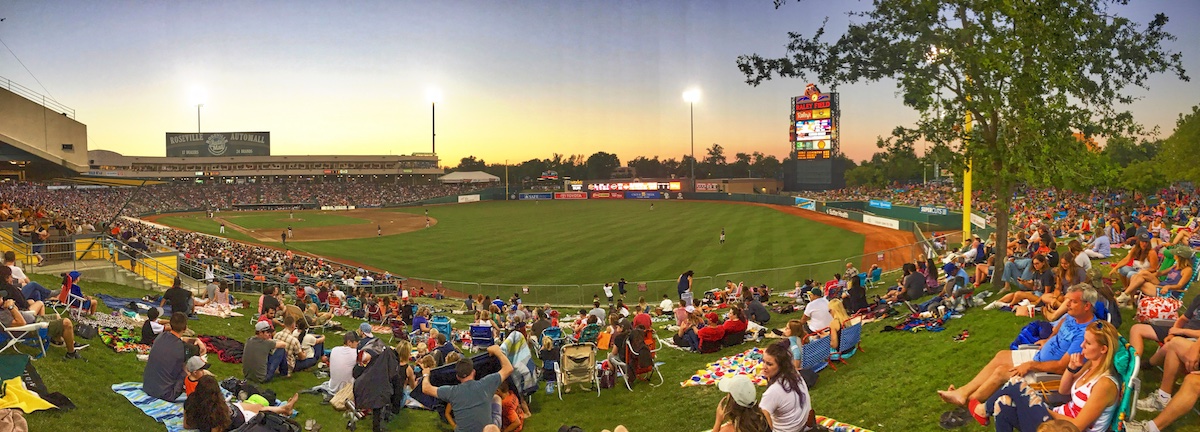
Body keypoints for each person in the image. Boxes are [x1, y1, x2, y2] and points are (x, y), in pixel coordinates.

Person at [938, 284, 1098, 410]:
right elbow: (1059, 327)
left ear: (1087, 306)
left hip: (1048, 372)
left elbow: (1061, 367)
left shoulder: (1086, 334)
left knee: (1001, 371)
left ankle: (970, 403)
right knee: (1001, 355)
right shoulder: (1072, 316)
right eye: (1067, 300)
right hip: (1041, 356)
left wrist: (1031, 365)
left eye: (1073, 301)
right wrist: (1048, 339)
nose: (1067, 305)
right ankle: (963, 393)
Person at [974, 320, 1120, 432]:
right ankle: (986, 408)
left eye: (1087, 343)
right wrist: (1071, 369)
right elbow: (1063, 391)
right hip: (1055, 418)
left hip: (1063, 428)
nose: (1081, 346)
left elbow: (1077, 426)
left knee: (1016, 383)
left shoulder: (1105, 384)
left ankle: (983, 409)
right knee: (1002, 403)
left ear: (1103, 349)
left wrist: (1041, 409)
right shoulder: (1090, 366)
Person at [421, 344, 514, 432]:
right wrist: (497, 351)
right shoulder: (486, 384)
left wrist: (426, 374)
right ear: (473, 372)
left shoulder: (451, 392)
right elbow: (508, 368)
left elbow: (426, 388)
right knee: (496, 398)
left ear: (457, 377)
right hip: (485, 430)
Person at [183, 375, 298, 432]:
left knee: (256, 406)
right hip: (238, 419)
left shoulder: (191, 401)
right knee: (259, 409)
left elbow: (186, 425)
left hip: (232, 412)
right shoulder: (217, 409)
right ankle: (282, 410)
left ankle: (283, 409)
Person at [143, 312, 208, 401]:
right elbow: (201, 353)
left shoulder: (161, 336)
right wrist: (199, 343)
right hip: (167, 393)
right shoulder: (185, 348)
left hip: (148, 386)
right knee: (194, 366)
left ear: (170, 324)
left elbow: (179, 339)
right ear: (185, 328)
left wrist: (196, 339)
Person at [760, 342, 814, 432]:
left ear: (781, 366)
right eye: (763, 361)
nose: (764, 367)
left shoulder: (773, 391)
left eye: (769, 364)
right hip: (805, 425)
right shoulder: (795, 375)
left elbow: (763, 421)